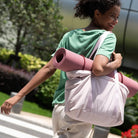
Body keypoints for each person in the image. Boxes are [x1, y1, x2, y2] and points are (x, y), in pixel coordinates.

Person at [1, 0, 122, 137]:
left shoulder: (69, 36)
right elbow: (98, 69)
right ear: (97, 13)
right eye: (112, 16)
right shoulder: (108, 37)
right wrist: (117, 62)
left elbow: (48, 69)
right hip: (80, 108)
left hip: (60, 107)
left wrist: (18, 96)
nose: (116, 21)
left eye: (117, 17)